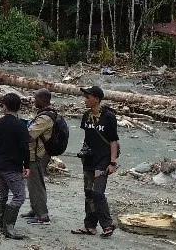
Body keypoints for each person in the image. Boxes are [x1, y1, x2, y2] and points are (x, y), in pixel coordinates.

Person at [71, 85, 120, 238]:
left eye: (88, 97)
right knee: (88, 193)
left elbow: (113, 141)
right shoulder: (86, 116)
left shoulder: (108, 117)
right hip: (89, 160)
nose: (84, 100)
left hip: (103, 161)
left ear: (97, 99)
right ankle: (90, 226)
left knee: (98, 193)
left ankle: (108, 224)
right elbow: (88, 137)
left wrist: (112, 163)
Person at [0, 92, 30, 240]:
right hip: (12, 165)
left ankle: (1, 224)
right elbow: (25, 148)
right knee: (19, 196)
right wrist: (27, 165)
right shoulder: (20, 126)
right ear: (18, 107)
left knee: (1, 194)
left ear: (4, 107)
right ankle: (8, 226)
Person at [23, 88, 54, 225]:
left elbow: (30, 135)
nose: (33, 101)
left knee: (36, 184)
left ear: (42, 99)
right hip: (38, 153)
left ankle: (42, 215)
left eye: (35, 98)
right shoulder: (45, 114)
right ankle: (36, 209)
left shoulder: (45, 118)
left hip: (38, 154)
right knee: (33, 183)